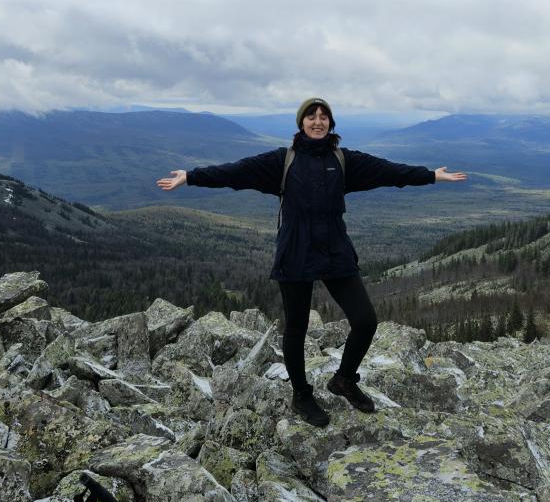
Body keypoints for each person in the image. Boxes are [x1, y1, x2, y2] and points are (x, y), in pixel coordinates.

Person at [157, 97, 466, 427]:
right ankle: (301, 395)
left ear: (330, 125)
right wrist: (190, 176)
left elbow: (388, 171)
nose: (317, 121)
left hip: (335, 250)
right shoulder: (283, 160)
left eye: (323, 117)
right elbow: (236, 172)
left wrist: (431, 175)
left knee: (365, 320)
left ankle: (344, 380)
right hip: (296, 252)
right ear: (301, 122)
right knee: (296, 328)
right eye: (311, 116)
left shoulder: (342, 160)